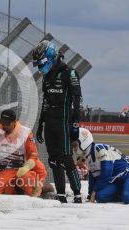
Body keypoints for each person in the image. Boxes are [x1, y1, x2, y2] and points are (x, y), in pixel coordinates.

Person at [32, 40, 83, 203]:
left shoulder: (70, 73)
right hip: (50, 121)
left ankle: (77, 194)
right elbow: (45, 102)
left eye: (41, 62)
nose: (40, 67)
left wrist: (75, 125)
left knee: (67, 158)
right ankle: (60, 195)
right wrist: (40, 125)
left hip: (64, 120)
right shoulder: (47, 77)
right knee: (54, 159)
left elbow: (78, 101)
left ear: (51, 56)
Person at [72, 128, 129, 204]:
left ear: (83, 142)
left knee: (128, 197)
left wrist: (94, 190)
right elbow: (93, 176)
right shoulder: (88, 155)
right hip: (115, 181)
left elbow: (107, 173)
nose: (74, 148)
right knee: (100, 197)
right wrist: (91, 193)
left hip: (128, 176)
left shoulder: (99, 149)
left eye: (75, 145)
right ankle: (125, 192)